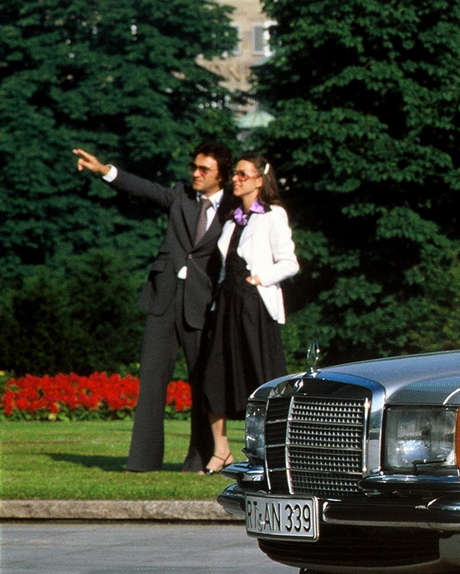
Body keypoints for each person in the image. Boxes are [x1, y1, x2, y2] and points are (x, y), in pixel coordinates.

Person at [72, 142, 232, 472]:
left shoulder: (234, 209)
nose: (195, 173)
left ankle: (201, 458)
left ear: (222, 175)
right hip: (163, 297)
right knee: (151, 378)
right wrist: (104, 170)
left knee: (202, 381)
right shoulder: (180, 195)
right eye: (194, 166)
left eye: (204, 169)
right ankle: (142, 461)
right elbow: (144, 189)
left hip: (203, 304)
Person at [197, 155, 299, 470]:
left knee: (262, 376)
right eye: (236, 174)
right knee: (214, 374)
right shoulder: (232, 219)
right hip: (227, 304)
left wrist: (260, 279)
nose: (236, 179)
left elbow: (290, 263)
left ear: (259, 180)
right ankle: (221, 451)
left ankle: (270, 453)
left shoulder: (273, 215)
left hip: (254, 304)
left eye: (243, 174)